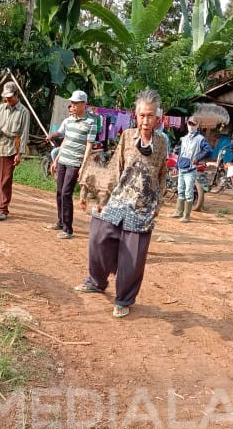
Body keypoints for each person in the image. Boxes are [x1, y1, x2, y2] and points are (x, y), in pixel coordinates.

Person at [74, 89, 168, 319]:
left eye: (150, 116)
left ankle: (124, 298)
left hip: (142, 206)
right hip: (119, 199)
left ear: (158, 118)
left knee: (133, 258)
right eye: (142, 115)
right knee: (99, 237)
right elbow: (116, 168)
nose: (146, 120)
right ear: (136, 116)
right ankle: (97, 280)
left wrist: (158, 204)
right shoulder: (126, 136)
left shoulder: (162, 143)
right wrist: (102, 198)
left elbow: (163, 174)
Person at [44, 90, 96, 239]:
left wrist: (83, 166)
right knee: (59, 192)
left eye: (75, 103)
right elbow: (65, 141)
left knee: (67, 193)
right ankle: (60, 222)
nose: (72, 105)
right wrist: (56, 160)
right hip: (63, 161)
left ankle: (68, 229)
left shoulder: (91, 123)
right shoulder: (69, 121)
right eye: (72, 102)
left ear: (83, 104)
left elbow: (89, 146)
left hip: (75, 163)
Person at [0, 81, 29, 220]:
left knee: (5, 180)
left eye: (10, 97)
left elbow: (24, 134)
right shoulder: (0, 108)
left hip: (10, 147)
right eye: (5, 97)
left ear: (16, 95)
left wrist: (19, 153)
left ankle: (3, 209)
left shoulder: (23, 112)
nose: (7, 100)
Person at [171, 118, 212, 223]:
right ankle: (178, 212)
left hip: (190, 169)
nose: (191, 125)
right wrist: (176, 167)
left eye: (194, 124)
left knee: (188, 192)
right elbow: (180, 153)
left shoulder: (200, 139)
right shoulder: (184, 138)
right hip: (181, 168)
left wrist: (198, 157)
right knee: (180, 190)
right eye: (189, 123)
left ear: (197, 125)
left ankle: (186, 216)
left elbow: (208, 150)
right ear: (187, 124)